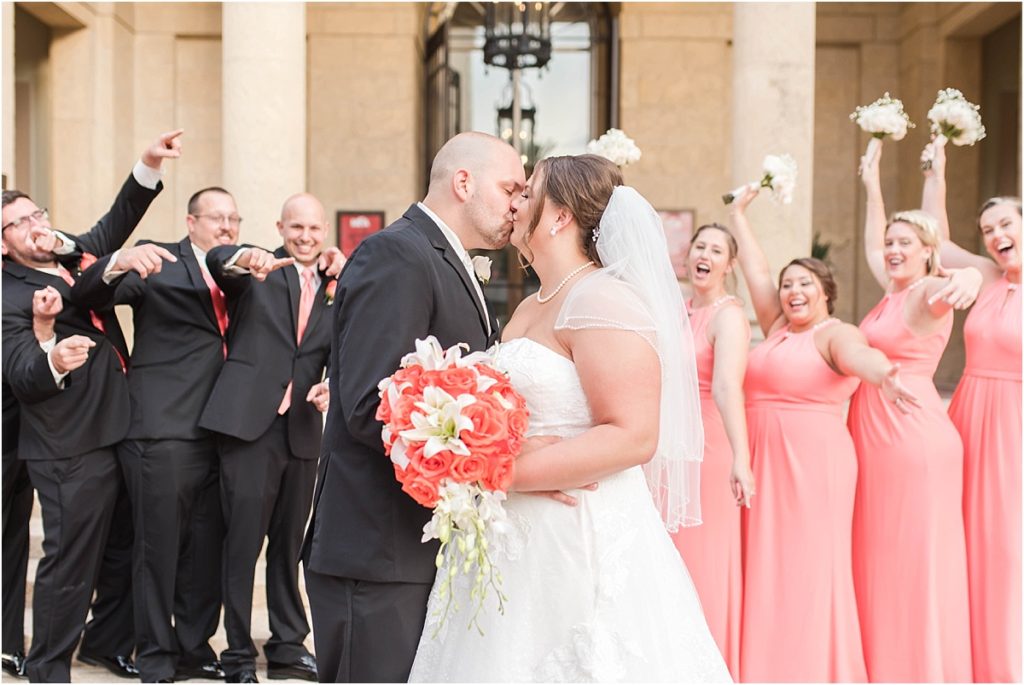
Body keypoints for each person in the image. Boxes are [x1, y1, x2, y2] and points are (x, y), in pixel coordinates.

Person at [408, 154, 730, 682]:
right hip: (510, 537)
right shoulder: (532, 305)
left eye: (528, 191)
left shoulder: (603, 298)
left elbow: (633, 435)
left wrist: (500, 473)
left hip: (577, 538)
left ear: (559, 217)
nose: (515, 201)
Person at [301, 132, 522, 683]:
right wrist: (479, 454)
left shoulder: (441, 255)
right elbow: (366, 404)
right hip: (375, 550)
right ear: (463, 182)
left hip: (415, 547)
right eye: (509, 187)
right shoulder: (397, 252)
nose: (517, 204)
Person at [1, 130, 179, 682]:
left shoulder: (71, 251)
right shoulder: (9, 293)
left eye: (39, 214)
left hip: (119, 425)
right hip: (66, 442)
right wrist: (54, 356)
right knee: (70, 563)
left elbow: (115, 222)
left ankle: (104, 642)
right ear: (3, 243)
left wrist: (147, 164)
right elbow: (21, 373)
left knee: (124, 548)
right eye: (20, 222)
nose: (36, 225)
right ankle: (47, 667)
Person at [726, 184, 923, 682]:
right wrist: (737, 216)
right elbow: (756, 271)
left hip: (814, 467)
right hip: (762, 462)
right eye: (789, 284)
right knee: (767, 565)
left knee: (808, 567)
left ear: (826, 293)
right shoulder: (775, 328)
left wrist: (885, 375)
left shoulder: (835, 333)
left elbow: (862, 358)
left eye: (805, 285)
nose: (793, 291)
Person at [71, 186, 250, 683]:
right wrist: (117, 262)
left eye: (234, 218)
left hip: (222, 431)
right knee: (157, 552)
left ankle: (195, 650)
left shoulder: (238, 272)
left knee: (205, 553)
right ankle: (153, 657)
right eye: (217, 218)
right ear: (191, 222)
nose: (227, 227)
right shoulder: (157, 262)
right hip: (160, 431)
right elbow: (88, 294)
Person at [200, 194, 344, 684]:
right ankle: (237, 654)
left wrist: (333, 384)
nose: (304, 237)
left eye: (313, 229)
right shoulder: (255, 271)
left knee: (288, 547)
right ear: (280, 226)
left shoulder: (335, 283)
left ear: (325, 230)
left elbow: (337, 348)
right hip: (247, 429)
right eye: (295, 227)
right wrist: (244, 256)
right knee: (241, 546)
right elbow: (220, 262)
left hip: (302, 431)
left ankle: (287, 646)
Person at [851, 142, 980, 681]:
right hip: (878, 439)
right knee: (883, 555)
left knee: (914, 557)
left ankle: (923, 669)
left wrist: (967, 278)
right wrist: (871, 184)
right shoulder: (891, 290)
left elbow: (954, 287)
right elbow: (871, 243)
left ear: (929, 251)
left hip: (912, 440)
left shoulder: (928, 290)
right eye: (891, 243)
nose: (893, 249)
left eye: (906, 242)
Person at [920, 139, 1021, 682]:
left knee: (1008, 551)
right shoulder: (985, 274)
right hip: (970, 417)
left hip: (1016, 431)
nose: (998, 237)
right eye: (989, 230)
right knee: (969, 543)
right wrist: (937, 171)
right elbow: (937, 239)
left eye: (1007, 224)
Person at [670, 222, 753, 678]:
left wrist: (741, 458)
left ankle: (708, 665)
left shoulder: (729, 316)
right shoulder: (678, 310)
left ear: (730, 264)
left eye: (716, 249)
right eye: (700, 246)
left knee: (704, 560)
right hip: (669, 448)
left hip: (709, 447)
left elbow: (726, 386)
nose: (705, 254)